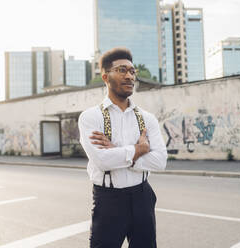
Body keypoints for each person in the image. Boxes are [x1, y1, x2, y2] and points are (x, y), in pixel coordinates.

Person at [78, 47, 167, 248]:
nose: (129, 76)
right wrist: (138, 150)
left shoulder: (147, 118)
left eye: (132, 71)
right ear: (105, 77)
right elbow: (102, 161)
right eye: (121, 70)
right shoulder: (90, 117)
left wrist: (117, 150)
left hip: (142, 196)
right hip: (109, 200)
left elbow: (160, 161)